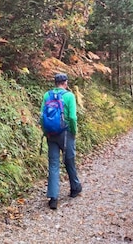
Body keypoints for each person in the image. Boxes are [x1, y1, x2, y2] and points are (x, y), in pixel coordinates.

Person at [40, 73, 82, 209]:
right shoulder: (69, 96)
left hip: (51, 134)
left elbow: (42, 116)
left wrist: (46, 132)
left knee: (53, 164)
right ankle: (75, 188)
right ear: (66, 82)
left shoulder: (47, 95)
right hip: (66, 134)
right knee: (69, 160)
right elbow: (73, 118)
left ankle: (53, 198)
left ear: (55, 83)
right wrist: (74, 132)